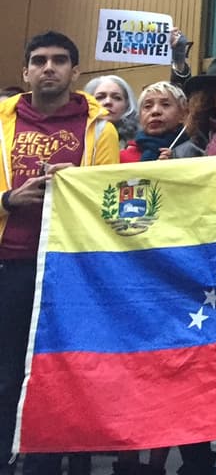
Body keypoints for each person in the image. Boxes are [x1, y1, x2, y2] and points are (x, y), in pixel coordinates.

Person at [0, 32, 119, 475]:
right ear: (25, 72)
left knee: (65, 374)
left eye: (59, 60)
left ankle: (46, 467)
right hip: (10, 265)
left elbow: (111, 201)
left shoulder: (102, 130)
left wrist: (78, 190)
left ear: (76, 72)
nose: (48, 67)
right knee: (6, 376)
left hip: (72, 272)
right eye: (39, 60)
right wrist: (7, 200)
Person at [120, 82, 188, 163]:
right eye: (147, 106)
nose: (155, 111)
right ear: (140, 117)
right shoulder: (121, 159)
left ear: (183, 114)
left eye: (165, 104)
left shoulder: (196, 153)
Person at [86, 75, 139, 149]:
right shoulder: (77, 140)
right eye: (100, 97)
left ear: (127, 105)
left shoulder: (140, 143)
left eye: (117, 98)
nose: (108, 102)